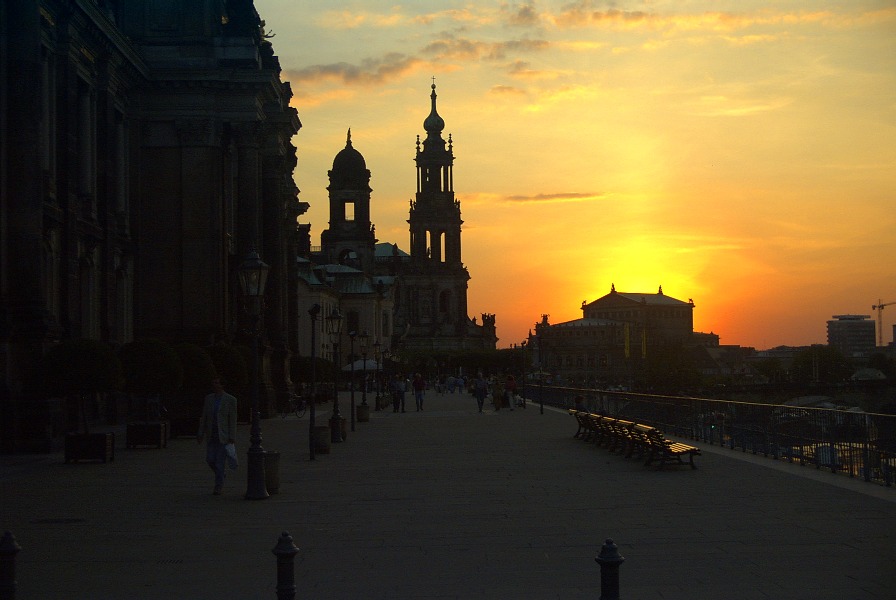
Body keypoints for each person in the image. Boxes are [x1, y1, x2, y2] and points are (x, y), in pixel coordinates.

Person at [197, 378, 238, 495]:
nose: (214, 385)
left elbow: (232, 419)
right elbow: (204, 416)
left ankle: (218, 485)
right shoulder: (209, 398)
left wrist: (232, 436)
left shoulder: (230, 400)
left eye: (216, 382)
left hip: (223, 436)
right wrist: (201, 432)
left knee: (220, 462)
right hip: (211, 434)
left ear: (222, 385)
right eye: (213, 382)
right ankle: (220, 473)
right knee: (210, 459)